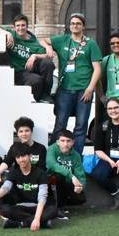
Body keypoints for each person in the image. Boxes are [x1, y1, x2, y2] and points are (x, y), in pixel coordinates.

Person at [41, 13, 102, 154]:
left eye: (78, 23)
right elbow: (43, 40)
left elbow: (97, 69)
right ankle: (53, 155)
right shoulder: (62, 40)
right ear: (69, 26)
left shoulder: (90, 44)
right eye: (73, 23)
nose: (75, 25)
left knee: (81, 126)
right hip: (64, 90)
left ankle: (75, 157)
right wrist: (48, 48)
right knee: (60, 125)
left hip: (83, 91)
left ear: (83, 26)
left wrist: (90, 88)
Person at [0, 143, 56, 230]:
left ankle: (20, 223)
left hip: (37, 207)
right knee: (4, 210)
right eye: (18, 157)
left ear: (30, 156)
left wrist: (36, 219)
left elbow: (42, 197)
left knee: (52, 211)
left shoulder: (41, 173)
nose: (21, 160)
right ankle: (43, 222)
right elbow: (6, 187)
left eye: (23, 156)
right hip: (20, 207)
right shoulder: (14, 172)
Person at [0, 14, 55, 103]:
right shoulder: (11, 35)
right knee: (37, 80)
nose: (20, 28)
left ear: (27, 26)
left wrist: (34, 56)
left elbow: (48, 56)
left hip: (29, 72)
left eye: (23, 25)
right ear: (14, 27)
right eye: (18, 26)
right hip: (16, 72)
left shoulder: (33, 42)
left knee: (47, 65)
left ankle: (45, 95)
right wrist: (6, 33)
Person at [0, 116, 47, 186]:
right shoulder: (14, 147)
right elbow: (7, 161)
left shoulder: (41, 148)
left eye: (27, 131)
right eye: (21, 131)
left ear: (31, 132)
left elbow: (42, 168)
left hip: (35, 180)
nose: (24, 134)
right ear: (17, 134)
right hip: (18, 179)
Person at [46, 129, 86, 219]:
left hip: (67, 183)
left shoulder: (76, 155)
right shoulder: (52, 149)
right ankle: (58, 208)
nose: (65, 144)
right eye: (62, 141)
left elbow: (80, 174)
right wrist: (71, 175)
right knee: (59, 176)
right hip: (51, 181)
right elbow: (51, 164)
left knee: (81, 198)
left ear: (73, 142)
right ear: (57, 142)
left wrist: (80, 186)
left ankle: (62, 204)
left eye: (68, 141)